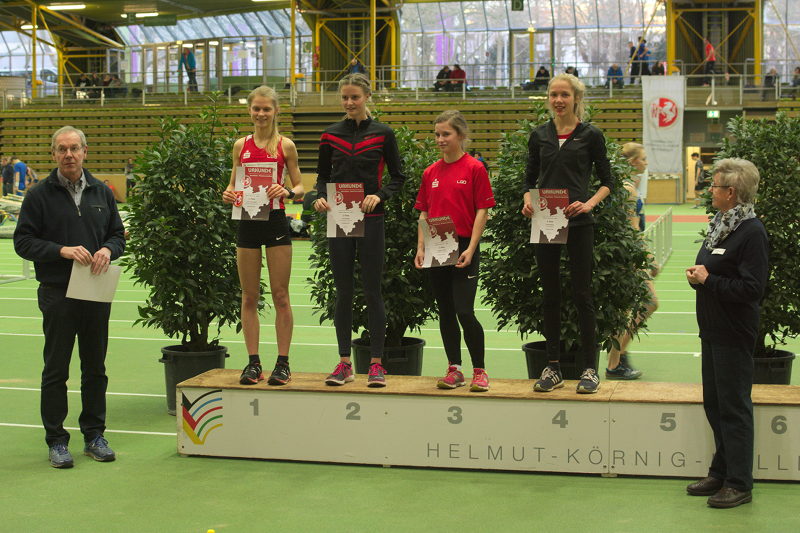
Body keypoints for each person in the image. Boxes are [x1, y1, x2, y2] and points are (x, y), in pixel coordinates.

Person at [13, 126, 125, 468]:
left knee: (95, 368)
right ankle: (57, 441)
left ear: (85, 151)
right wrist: (60, 250)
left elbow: (118, 234)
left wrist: (108, 249)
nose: (69, 155)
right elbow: (23, 242)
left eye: (74, 148)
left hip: (94, 293)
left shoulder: (101, 192)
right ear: (53, 155)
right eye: (62, 149)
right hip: (57, 294)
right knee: (56, 369)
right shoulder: (38, 195)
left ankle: (94, 435)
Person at [313, 73, 407, 388]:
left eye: (355, 97)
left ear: (367, 96)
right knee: (343, 293)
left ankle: (377, 364)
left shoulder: (384, 134)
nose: (350, 103)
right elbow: (321, 177)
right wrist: (321, 197)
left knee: (372, 291)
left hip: (372, 218)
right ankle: (344, 364)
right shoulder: (330, 135)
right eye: (345, 98)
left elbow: (398, 177)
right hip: (339, 217)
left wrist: (379, 195)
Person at [522, 73, 613, 394]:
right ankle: (553, 366)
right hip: (546, 220)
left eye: (564, 95)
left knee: (582, 295)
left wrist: (588, 204)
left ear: (576, 98)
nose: (558, 100)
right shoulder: (539, 136)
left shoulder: (591, 135)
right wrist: (526, 200)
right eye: (553, 95)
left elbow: (607, 181)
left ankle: (590, 369)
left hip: (578, 224)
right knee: (550, 296)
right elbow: (529, 179)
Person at [685, 158, 768, 509]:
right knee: (715, 404)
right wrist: (700, 279)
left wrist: (709, 280)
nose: (710, 191)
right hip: (713, 328)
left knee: (734, 407)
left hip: (733, 331)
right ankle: (720, 471)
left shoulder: (751, 232)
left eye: (714, 186)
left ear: (731, 192)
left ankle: (739, 482)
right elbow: (713, 269)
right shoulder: (723, 225)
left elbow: (752, 289)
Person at [222, 86, 304, 386]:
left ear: (275, 111)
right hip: (246, 221)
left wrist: (287, 191)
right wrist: (229, 194)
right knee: (249, 296)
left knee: (281, 295)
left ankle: (282, 363)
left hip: (275, 221)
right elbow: (232, 185)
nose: (260, 114)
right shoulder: (239, 145)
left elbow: (299, 187)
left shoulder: (285, 146)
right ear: (250, 111)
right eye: (256, 108)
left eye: (266, 109)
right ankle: (253, 362)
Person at [414, 110, 495, 392]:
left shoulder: (475, 168)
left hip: (463, 246)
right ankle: (454, 369)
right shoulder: (430, 173)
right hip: (437, 242)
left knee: (464, 311)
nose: (440, 139)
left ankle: (480, 371)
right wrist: (420, 247)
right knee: (445, 311)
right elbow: (423, 212)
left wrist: (471, 249)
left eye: (446, 134)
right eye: (437, 134)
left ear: (460, 135)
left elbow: (482, 211)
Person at [606, 143, 659, 380]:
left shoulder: (625, 187)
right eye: (643, 159)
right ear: (632, 162)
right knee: (649, 303)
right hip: (628, 258)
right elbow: (632, 230)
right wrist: (648, 259)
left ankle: (618, 356)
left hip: (625, 256)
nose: (646, 163)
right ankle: (614, 361)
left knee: (627, 310)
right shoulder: (628, 189)